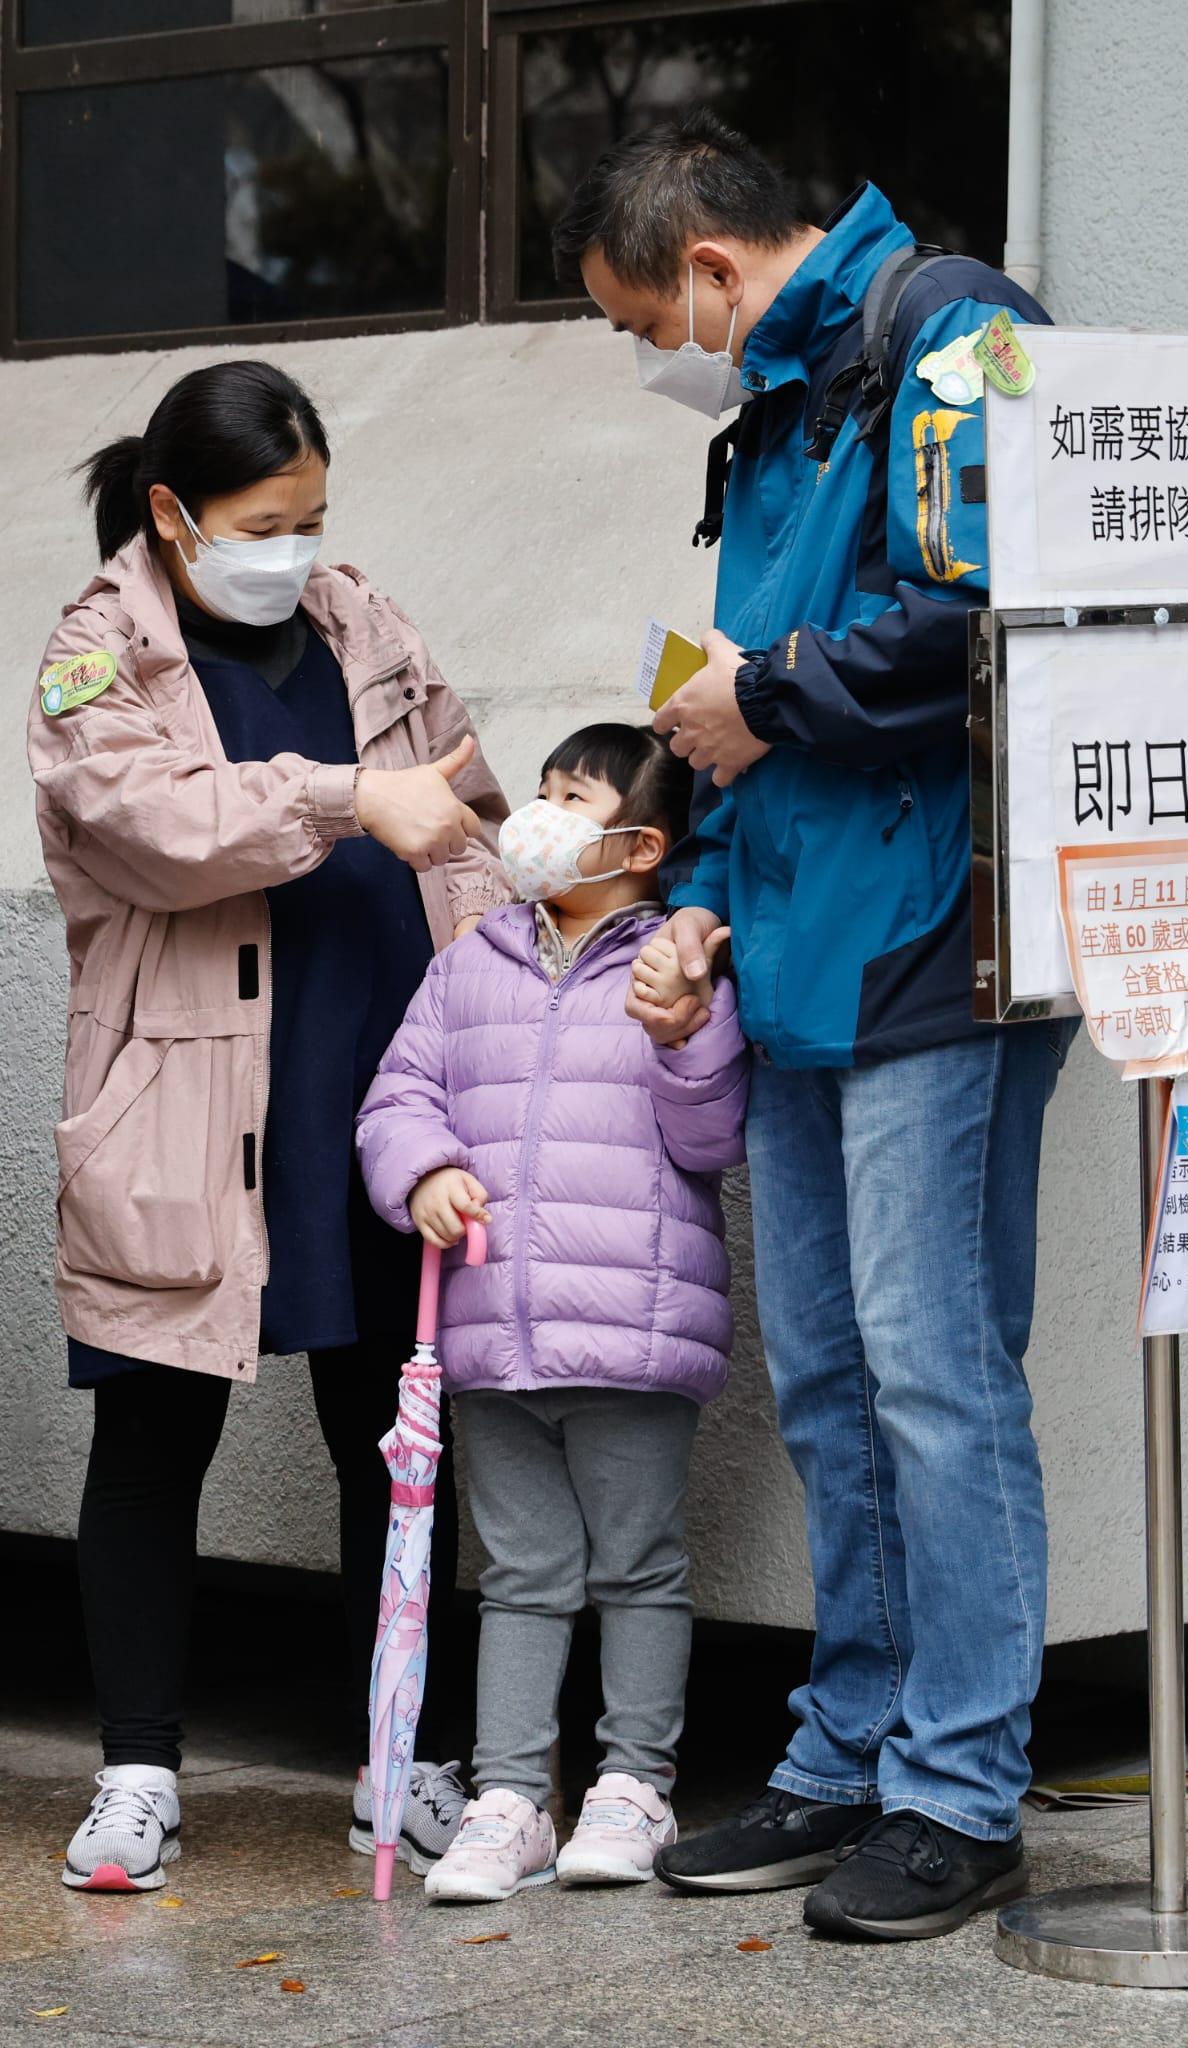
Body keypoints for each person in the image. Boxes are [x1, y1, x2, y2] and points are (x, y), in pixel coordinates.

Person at [554, 111, 1075, 1942]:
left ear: (709, 263)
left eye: (643, 323)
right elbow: (746, 689)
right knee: (839, 1379)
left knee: (938, 1371)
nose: (649, 360)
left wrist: (771, 698)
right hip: (788, 936)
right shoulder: (782, 389)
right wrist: (691, 881)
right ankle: (848, 1741)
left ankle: (960, 1782)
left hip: (932, 931)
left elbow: (997, 611)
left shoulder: (950, 332)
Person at [28, 360, 511, 1893]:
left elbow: (468, 805)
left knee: (398, 1438)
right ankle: (136, 1775)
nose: (293, 550)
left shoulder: (363, 620)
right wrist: (350, 797)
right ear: (172, 516)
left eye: (311, 517)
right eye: (261, 521)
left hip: (382, 1081)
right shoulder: (96, 656)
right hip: (188, 1097)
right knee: (153, 1432)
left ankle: (400, 1764)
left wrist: (518, 909)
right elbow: (162, 830)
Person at [357, 723, 748, 1905]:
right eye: (540, 791)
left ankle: (634, 1782)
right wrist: (423, 1168)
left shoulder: (676, 967)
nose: (540, 815)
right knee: (520, 1571)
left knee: (636, 1565)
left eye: (571, 797)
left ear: (641, 842)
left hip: (632, 1327)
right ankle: (511, 1795)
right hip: (494, 1329)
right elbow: (398, 1092)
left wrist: (684, 1032)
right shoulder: (473, 957)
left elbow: (712, 1134)